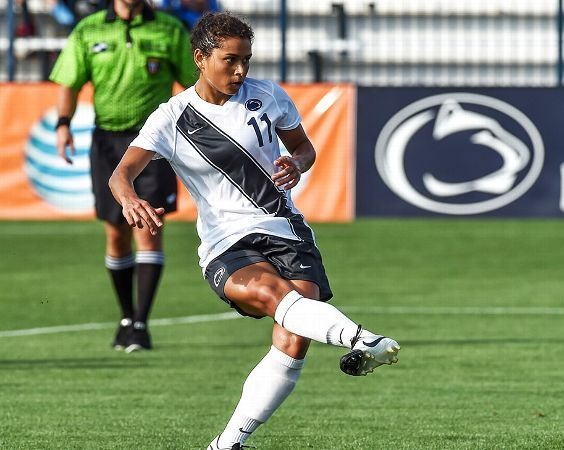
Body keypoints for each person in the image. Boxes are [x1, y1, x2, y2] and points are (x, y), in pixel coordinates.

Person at [108, 12, 401, 449]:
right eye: (230, 60)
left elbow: (303, 147)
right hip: (227, 241)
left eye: (246, 59)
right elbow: (121, 174)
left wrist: (296, 164)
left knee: (293, 342)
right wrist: (130, 199)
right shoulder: (172, 117)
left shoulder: (267, 95)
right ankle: (366, 340)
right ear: (201, 58)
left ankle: (227, 444)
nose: (241, 70)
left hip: (286, 229)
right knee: (275, 297)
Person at [50, 0, 197, 352]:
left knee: (148, 229)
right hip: (107, 141)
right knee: (116, 233)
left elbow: (194, 84)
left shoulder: (169, 28)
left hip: (154, 142)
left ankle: (142, 324)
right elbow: (69, 80)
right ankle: (127, 317)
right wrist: (63, 124)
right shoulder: (89, 29)